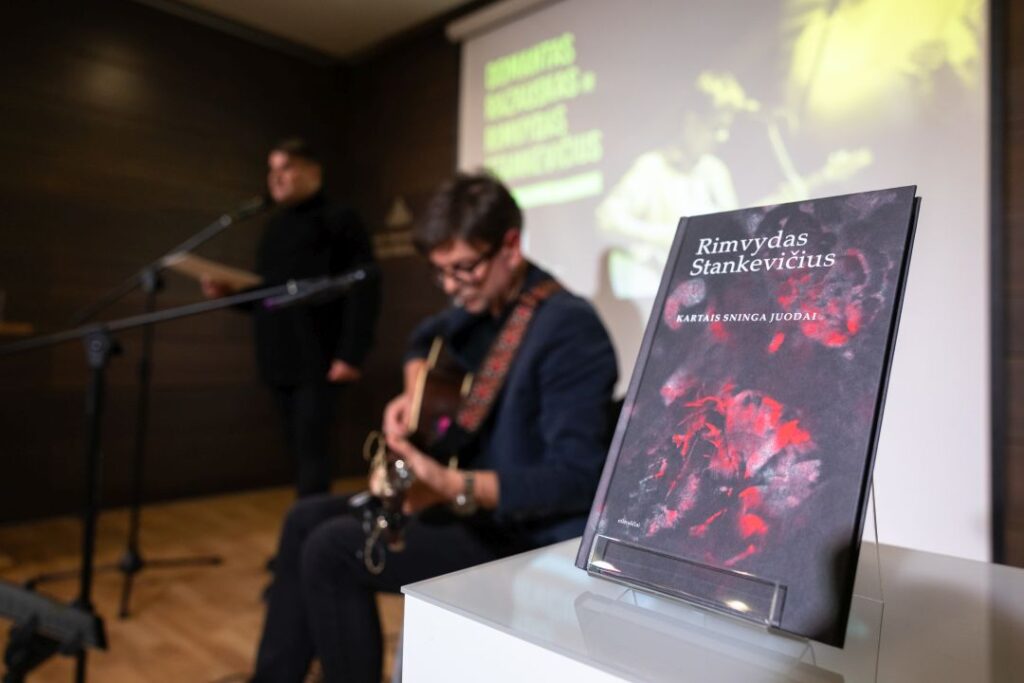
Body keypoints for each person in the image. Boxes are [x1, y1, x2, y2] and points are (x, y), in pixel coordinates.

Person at [249, 172, 618, 682]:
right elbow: (425, 336)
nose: (449, 286)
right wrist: (415, 391)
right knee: (302, 517)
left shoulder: (569, 328)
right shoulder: (479, 308)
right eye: (439, 272)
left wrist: (451, 484)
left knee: (331, 550)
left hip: (515, 532)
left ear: (510, 246)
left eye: (462, 268)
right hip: (461, 506)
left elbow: (576, 478)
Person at [203, 138, 380, 498]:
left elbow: (365, 287)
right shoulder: (274, 228)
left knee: (314, 451)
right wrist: (230, 296)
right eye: (272, 169)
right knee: (295, 450)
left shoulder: (339, 219)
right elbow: (267, 299)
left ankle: (310, 526)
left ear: (313, 171)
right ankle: (306, 523)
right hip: (277, 359)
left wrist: (351, 354)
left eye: (286, 167)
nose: (276, 177)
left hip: (319, 357)